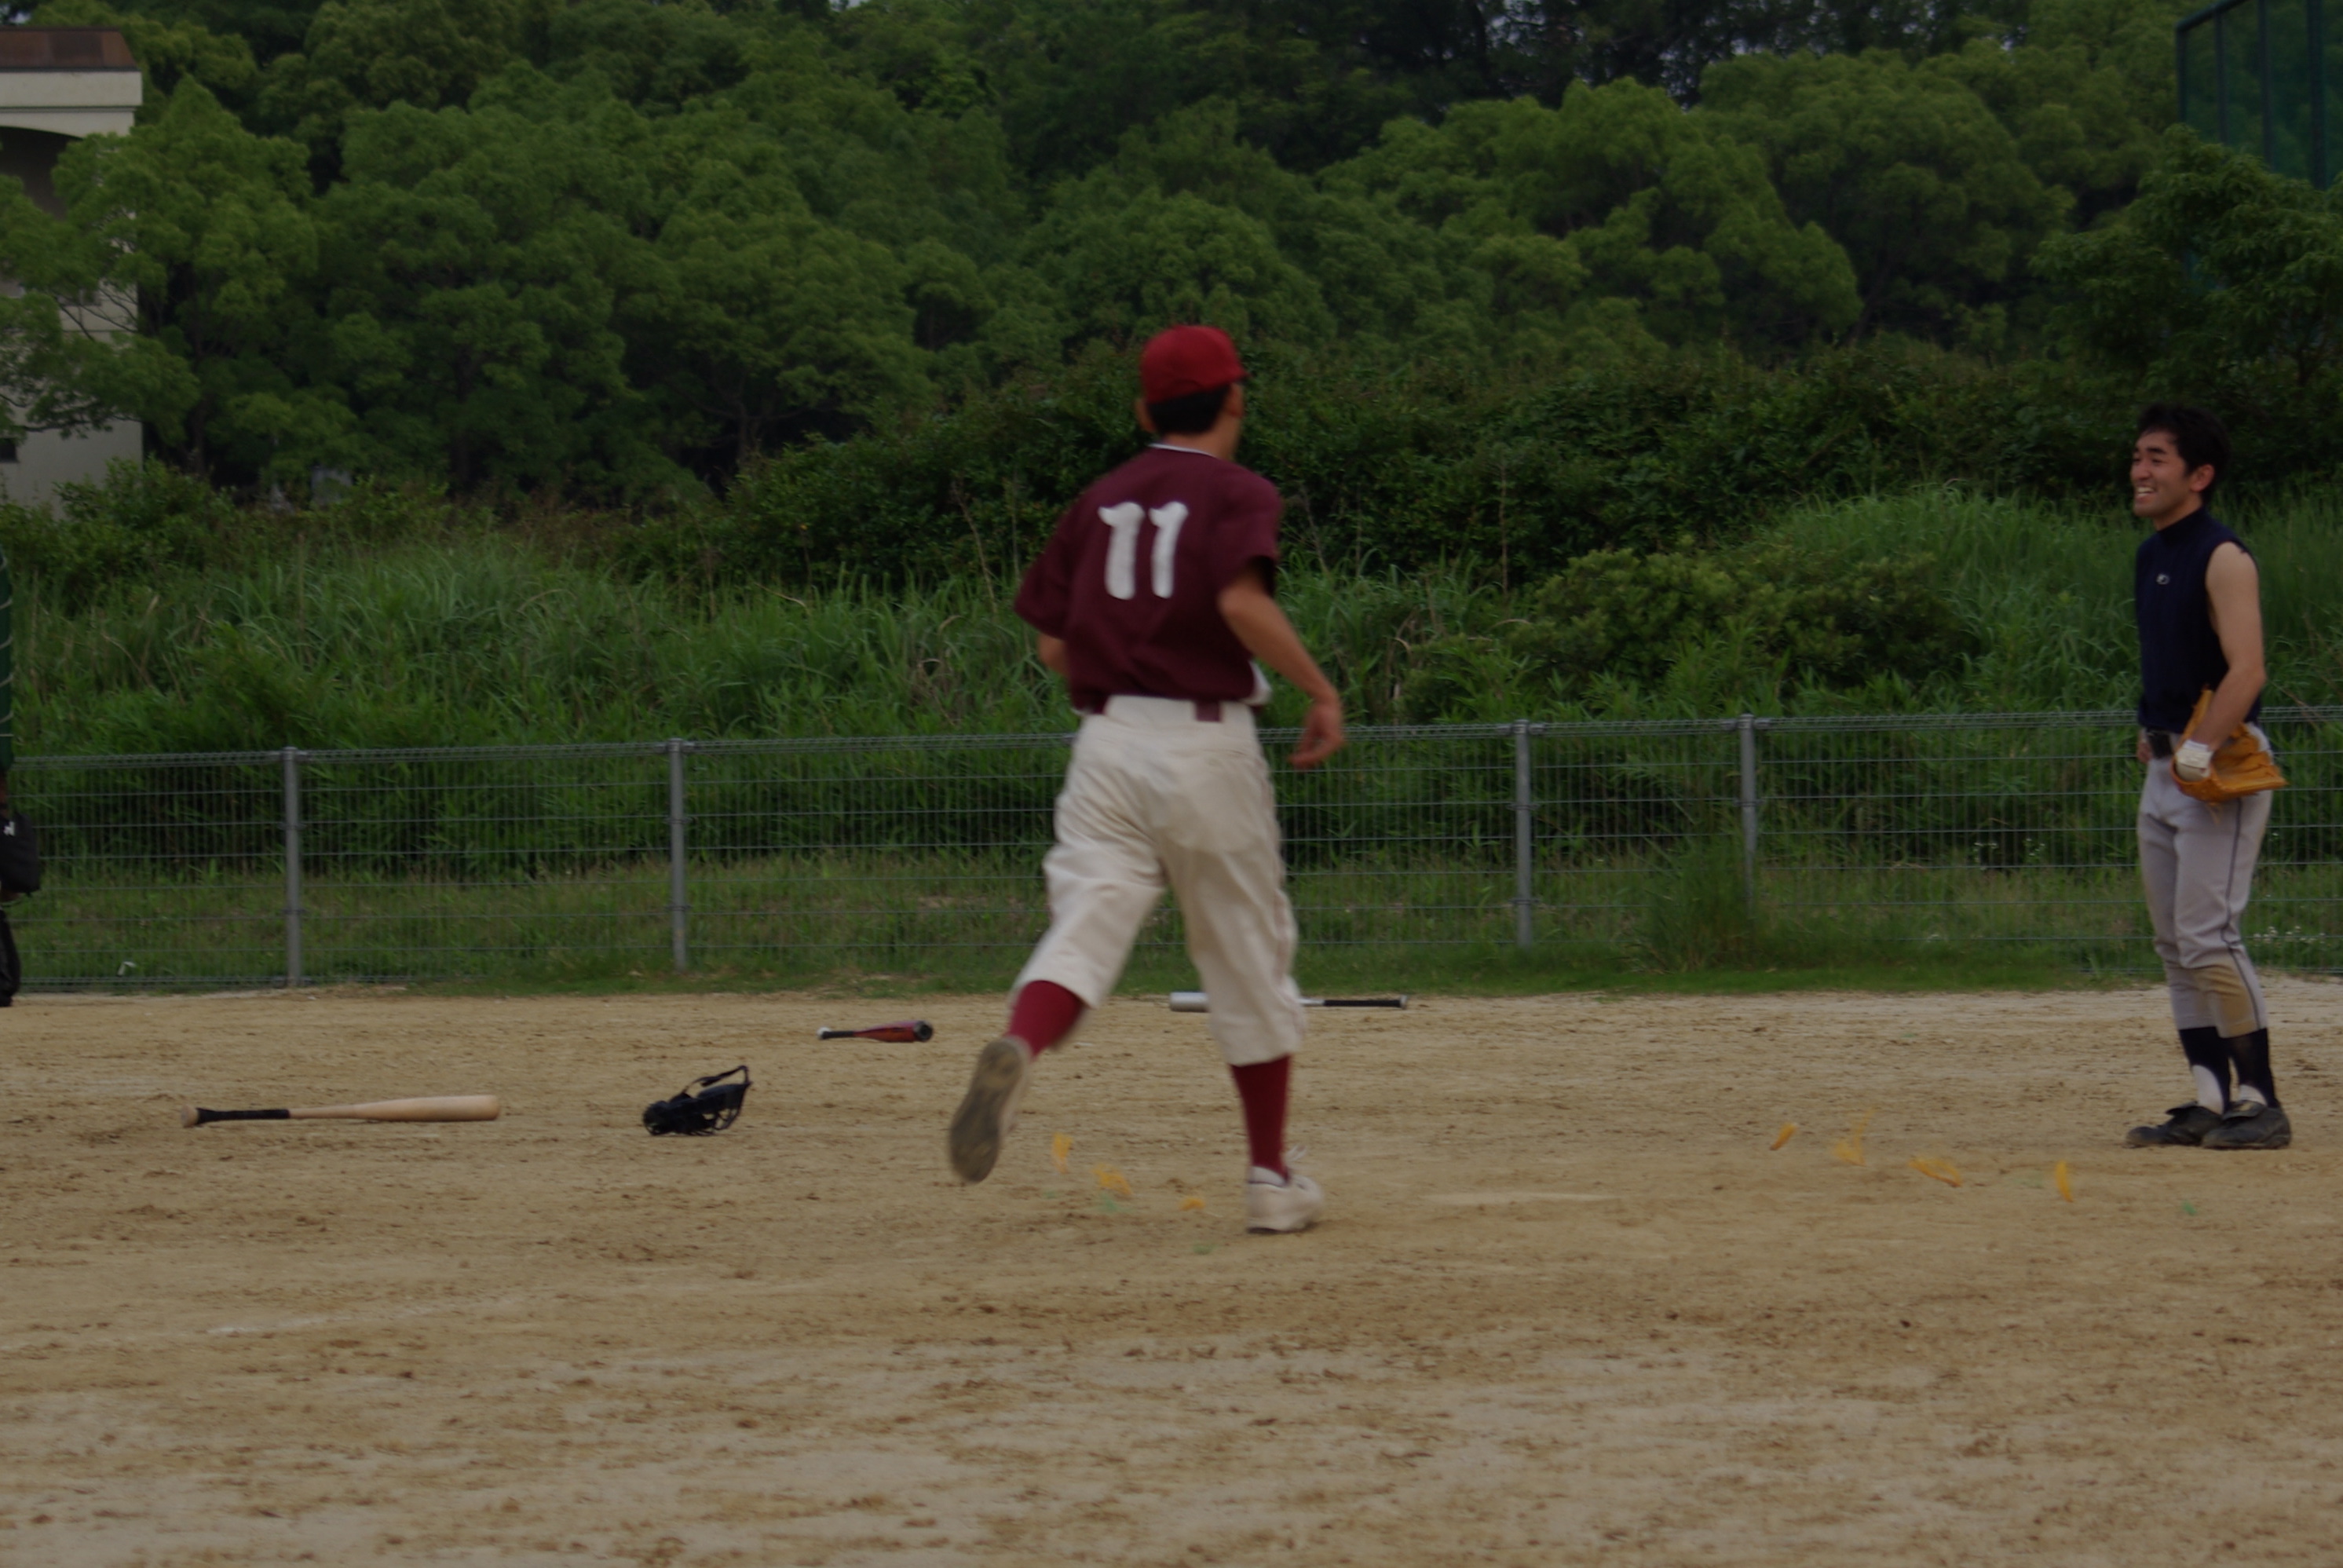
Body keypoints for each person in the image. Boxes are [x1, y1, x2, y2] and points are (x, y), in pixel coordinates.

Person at [945, 323, 1347, 1231]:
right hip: (1203, 745)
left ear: (1142, 410)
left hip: (1106, 741)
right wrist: (1319, 690)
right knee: (1243, 950)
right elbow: (1239, 598)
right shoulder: (1238, 490)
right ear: (1235, 397)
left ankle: (1021, 1044)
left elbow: (1053, 645)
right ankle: (1269, 1177)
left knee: (1085, 923)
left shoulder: (1099, 501)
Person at [2123, 404, 2288, 1150]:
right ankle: (2208, 1099)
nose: (2140, 470)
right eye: (2138, 456)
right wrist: (2155, 733)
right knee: (2174, 943)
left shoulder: (2223, 555)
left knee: (2208, 935)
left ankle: (2263, 1101)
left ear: (2200, 474)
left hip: (2215, 765)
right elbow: (2174, 661)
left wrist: (2198, 746)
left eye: (2157, 458)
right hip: (2167, 765)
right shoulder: (2150, 554)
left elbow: (2247, 669)